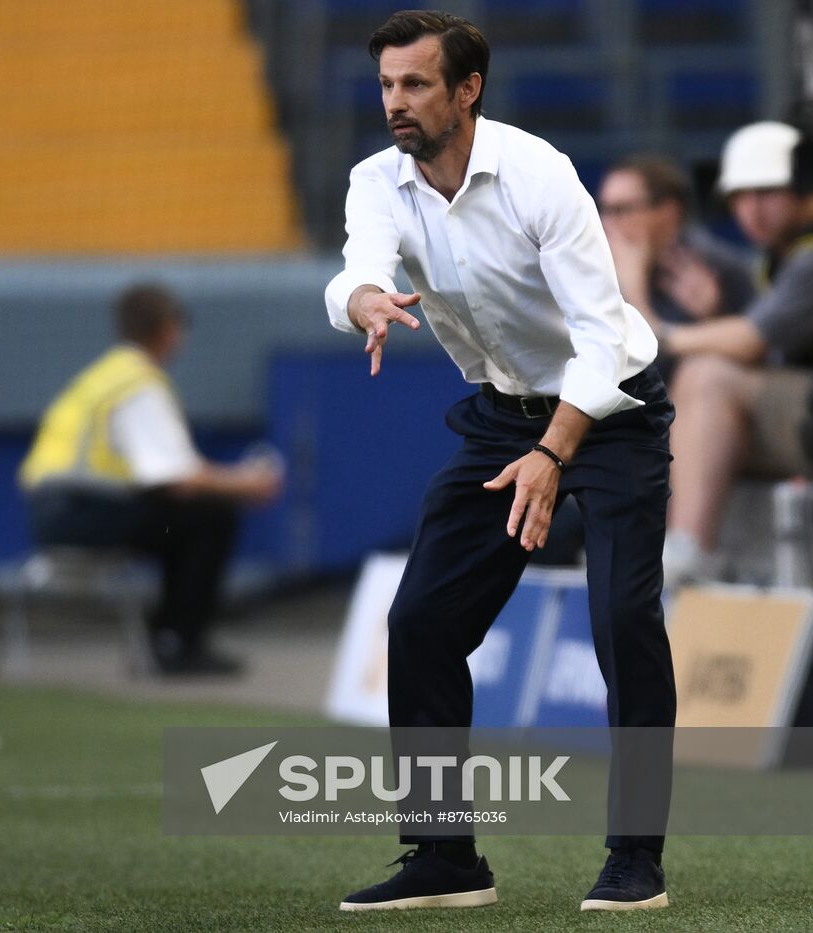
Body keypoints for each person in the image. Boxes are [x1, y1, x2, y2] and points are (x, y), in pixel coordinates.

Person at [324, 11, 674, 912]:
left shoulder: (539, 175)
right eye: (387, 86)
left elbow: (601, 340)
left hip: (612, 412)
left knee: (622, 623)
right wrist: (362, 298)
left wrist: (554, 453)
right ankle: (445, 857)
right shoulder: (378, 180)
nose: (395, 103)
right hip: (498, 418)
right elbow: (356, 267)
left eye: (415, 85)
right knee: (423, 623)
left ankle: (636, 860)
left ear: (466, 90)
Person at [18, 284, 281, 676]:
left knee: (183, 518)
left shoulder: (104, 375)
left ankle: (166, 636)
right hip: (82, 511)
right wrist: (249, 485)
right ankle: (177, 643)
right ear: (168, 330)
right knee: (210, 516)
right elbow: (178, 477)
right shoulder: (137, 384)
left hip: (51, 511)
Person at [654, 122, 813, 584]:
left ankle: (690, 554)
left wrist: (660, 334)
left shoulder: (807, 258)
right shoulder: (775, 259)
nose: (752, 210)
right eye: (740, 197)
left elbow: (749, 343)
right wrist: (712, 317)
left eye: (768, 192)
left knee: (706, 378)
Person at [598, 154, 755, 378]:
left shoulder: (717, 267)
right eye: (604, 210)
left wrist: (714, 316)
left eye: (621, 210)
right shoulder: (598, 268)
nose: (608, 223)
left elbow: (647, 368)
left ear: (668, 212)